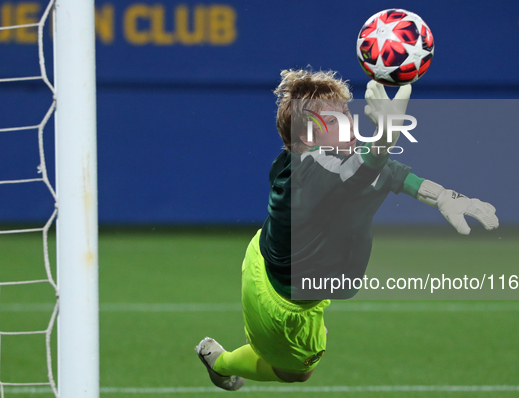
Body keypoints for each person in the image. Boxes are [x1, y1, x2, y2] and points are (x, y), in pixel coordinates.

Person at [196, 69, 499, 390]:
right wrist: (382, 142)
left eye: (346, 115)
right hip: (284, 307)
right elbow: (357, 171)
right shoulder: (309, 172)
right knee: (297, 373)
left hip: (263, 261)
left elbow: (385, 172)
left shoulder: (311, 160)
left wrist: (443, 196)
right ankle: (220, 363)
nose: (350, 125)